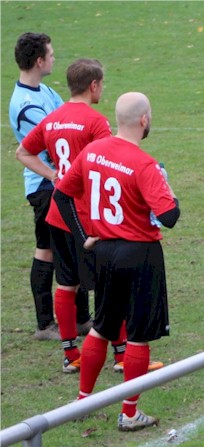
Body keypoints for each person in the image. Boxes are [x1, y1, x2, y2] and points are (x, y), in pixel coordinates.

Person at [54, 92, 180, 431]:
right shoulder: (143, 163)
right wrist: (170, 191)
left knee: (102, 326)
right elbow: (169, 216)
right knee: (138, 336)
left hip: (104, 252)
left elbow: (62, 194)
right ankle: (129, 413)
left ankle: (81, 402)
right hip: (140, 254)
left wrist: (82, 236)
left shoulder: (92, 151)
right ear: (143, 120)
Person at [15, 58, 112, 373]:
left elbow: (23, 152)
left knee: (66, 284)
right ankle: (123, 356)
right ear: (94, 85)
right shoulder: (96, 122)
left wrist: (55, 175)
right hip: (87, 214)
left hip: (58, 212)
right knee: (110, 282)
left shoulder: (53, 119)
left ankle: (71, 355)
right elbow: (106, 165)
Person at [8, 32, 91, 341]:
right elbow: (54, 140)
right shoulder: (26, 105)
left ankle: (81, 319)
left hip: (61, 181)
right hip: (46, 187)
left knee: (69, 248)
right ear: (39, 60)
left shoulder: (44, 90)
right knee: (48, 251)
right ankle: (45, 324)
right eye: (51, 55)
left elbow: (67, 121)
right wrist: (56, 176)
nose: (55, 58)